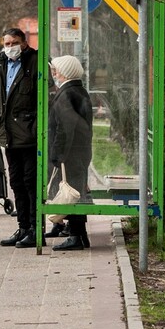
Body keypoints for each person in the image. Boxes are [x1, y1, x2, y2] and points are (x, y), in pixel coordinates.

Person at [0, 28, 41, 248]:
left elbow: (43, 98)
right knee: (16, 182)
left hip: (29, 136)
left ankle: (34, 227)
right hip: (9, 136)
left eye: (13, 43)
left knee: (31, 182)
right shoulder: (3, 65)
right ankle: (23, 227)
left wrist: (35, 128)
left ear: (23, 43)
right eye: (6, 43)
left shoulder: (35, 62)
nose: (9, 47)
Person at [46, 55, 93, 250]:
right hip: (80, 151)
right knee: (77, 192)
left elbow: (65, 128)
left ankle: (75, 236)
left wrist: (57, 155)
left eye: (56, 70)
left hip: (70, 153)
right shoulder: (79, 90)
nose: (54, 73)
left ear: (65, 72)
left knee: (71, 193)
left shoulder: (67, 93)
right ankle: (80, 235)